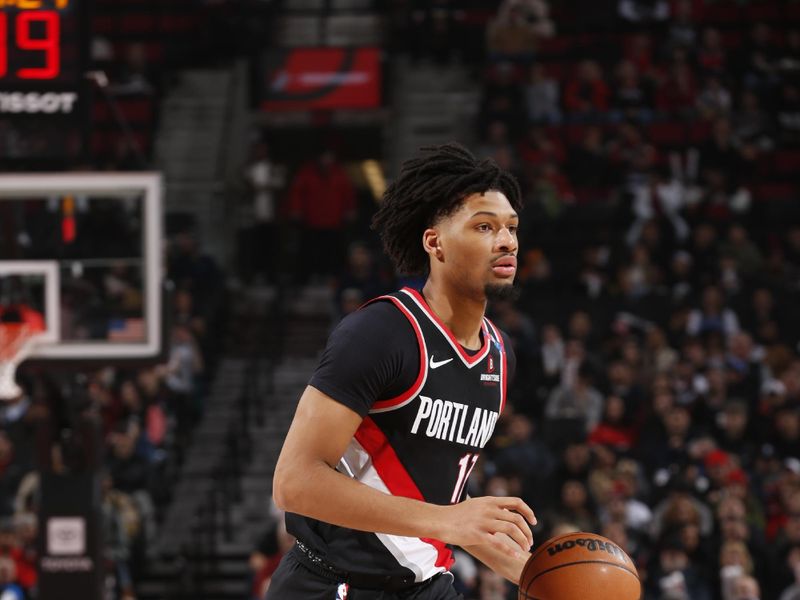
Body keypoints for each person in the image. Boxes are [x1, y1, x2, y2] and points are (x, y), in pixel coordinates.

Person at [267, 143, 536, 599]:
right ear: (435, 243)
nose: (507, 240)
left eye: (510, 227)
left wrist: (539, 576)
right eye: (485, 226)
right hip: (334, 585)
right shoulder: (381, 332)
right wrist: (448, 520)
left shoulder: (499, 353)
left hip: (427, 586)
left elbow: (436, 499)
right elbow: (294, 482)